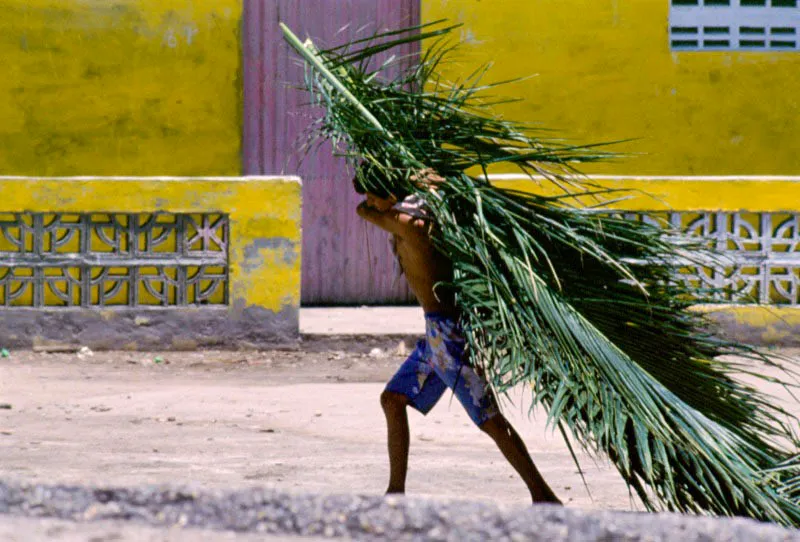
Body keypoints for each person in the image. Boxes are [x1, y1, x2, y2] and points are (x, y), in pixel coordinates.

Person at [355, 172, 561, 504]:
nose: (369, 200)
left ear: (391, 194)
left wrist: (401, 188)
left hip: (448, 335)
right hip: (437, 334)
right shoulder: (412, 213)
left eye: (373, 194)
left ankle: (543, 495)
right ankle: (395, 493)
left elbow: (364, 213)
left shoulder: (409, 222)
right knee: (393, 400)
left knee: (489, 419)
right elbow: (370, 209)